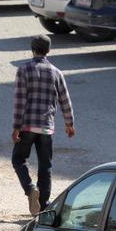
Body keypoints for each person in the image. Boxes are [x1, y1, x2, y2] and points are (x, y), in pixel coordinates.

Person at [11, 35, 75, 216]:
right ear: (48, 50)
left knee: (18, 159)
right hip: (47, 127)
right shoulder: (56, 72)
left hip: (27, 126)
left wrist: (16, 127)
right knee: (45, 165)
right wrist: (69, 123)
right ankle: (44, 206)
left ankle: (30, 189)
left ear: (32, 49)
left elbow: (19, 101)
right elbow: (65, 99)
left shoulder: (23, 70)